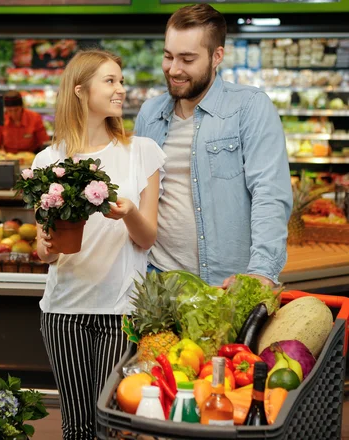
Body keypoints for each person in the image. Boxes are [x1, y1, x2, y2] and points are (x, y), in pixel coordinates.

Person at [32, 49, 166, 439]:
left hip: (119, 312)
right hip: (63, 312)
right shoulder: (48, 159)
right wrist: (48, 243)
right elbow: (46, 254)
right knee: (76, 426)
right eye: (110, 81)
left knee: (110, 426)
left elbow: (148, 239)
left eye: (121, 81)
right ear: (80, 90)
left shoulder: (141, 153)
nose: (121, 89)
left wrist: (128, 213)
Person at [135, 4, 292, 288]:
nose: (174, 69)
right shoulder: (149, 114)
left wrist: (262, 271)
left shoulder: (249, 107)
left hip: (225, 284)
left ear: (217, 55)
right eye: (168, 56)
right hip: (157, 280)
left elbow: (270, 193)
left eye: (187, 59)